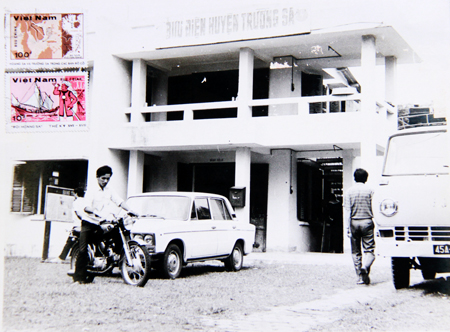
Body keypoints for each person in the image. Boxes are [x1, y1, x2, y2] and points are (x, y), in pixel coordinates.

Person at [72, 165, 135, 283]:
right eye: (103, 178)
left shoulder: (109, 189)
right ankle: (78, 277)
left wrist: (130, 210)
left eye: (108, 178)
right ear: (97, 177)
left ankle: (117, 260)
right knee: (83, 249)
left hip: (102, 221)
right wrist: (96, 212)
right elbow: (86, 207)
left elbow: (119, 201)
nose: (105, 181)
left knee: (117, 232)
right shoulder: (91, 190)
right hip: (89, 222)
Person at [343, 168, 375, 285]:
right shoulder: (371, 191)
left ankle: (360, 277)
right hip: (367, 222)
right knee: (369, 250)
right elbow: (374, 209)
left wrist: (347, 228)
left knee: (355, 251)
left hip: (354, 222)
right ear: (366, 178)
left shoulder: (349, 192)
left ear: (354, 178)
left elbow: (347, 211)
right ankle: (365, 268)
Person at [58, 187, 86, 261]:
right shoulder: (86, 201)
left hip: (77, 225)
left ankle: (62, 257)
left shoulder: (76, 202)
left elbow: (78, 213)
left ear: (76, 194)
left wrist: (82, 219)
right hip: (85, 225)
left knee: (69, 242)